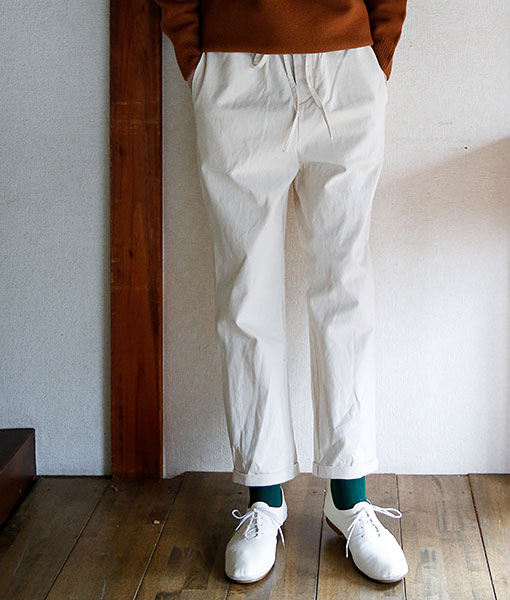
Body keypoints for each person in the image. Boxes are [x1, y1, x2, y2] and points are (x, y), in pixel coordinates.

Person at [154, 0, 409, 585]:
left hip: (344, 65)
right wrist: (195, 56)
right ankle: (264, 497)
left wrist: (378, 51)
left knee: (345, 288)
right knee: (247, 294)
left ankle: (350, 496)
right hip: (234, 67)